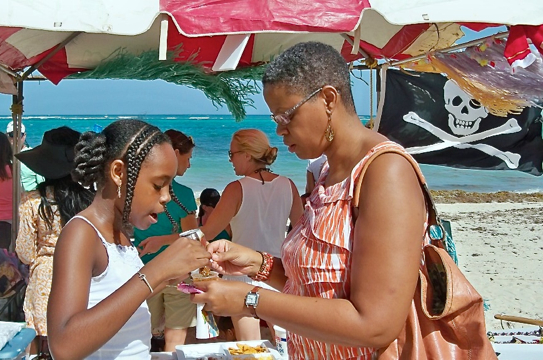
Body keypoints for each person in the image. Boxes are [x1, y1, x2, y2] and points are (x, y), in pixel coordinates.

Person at [190, 41, 439, 359]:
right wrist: (258, 263)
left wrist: (250, 299)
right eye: (275, 119)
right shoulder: (328, 174)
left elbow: (376, 324)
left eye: (286, 116)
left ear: (328, 99)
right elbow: (319, 286)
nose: (279, 131)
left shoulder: (385, 171)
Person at [47, 119, 211, 360]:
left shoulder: (120, 236)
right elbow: (63, 345)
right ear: (118, 173)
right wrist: (155, 272)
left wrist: (169, 277)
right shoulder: (82, 233)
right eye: (158, 185)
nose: (166, 197)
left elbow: (118, 299)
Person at [197, 128, 303, 341]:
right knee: (286, 343)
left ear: (247, 154)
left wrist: (175, 244)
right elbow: (302, 229)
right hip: (278, 270)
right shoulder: (288, 185)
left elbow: (207, 232)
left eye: (232, 154)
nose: (230, 160)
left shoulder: (236, 188)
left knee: (250, 346)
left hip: (241, 273)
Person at [15, 126, 94, 359]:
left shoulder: (32, 202)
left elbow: (26, 252)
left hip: (46, 276)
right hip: (84, 274)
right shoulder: (91, 201)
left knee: (43, 341)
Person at [132, 129, 198, 352]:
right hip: (175, 272)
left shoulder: (138, 190)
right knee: (175, 341)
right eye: (187, 159)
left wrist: (160, 240)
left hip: (145, 273)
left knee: (140, 339)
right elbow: (193, 237)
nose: (188, 165)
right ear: (175, 153)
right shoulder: (184, 195)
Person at [6, 121, 44, 192]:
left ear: (24, 136)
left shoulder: (34, 156)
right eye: (12, 134)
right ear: (6, 136)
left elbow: (41, 183)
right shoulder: (3, 157)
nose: (16, 138)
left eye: (19, 135)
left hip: (30, 198)